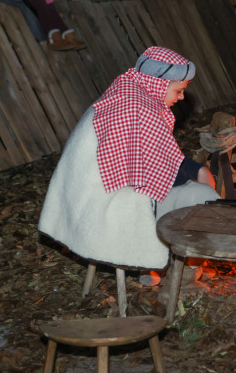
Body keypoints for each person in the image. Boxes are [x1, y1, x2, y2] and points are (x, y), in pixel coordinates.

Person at [39, 47, 218, 271]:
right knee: (200, 195)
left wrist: (195, 169)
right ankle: (184, 266)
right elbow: (151, 171)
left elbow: (154, 153)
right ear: (160, 83)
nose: (181, 97)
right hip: (100, 198)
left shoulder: (130, 89)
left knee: (194, 186)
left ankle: (169, 264)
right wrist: (194, 182)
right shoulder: (136, 108)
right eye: (178, 90)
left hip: (88, 191)